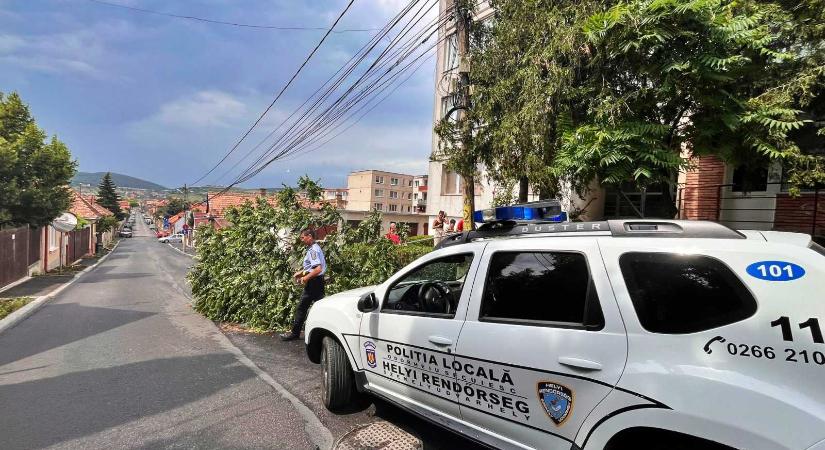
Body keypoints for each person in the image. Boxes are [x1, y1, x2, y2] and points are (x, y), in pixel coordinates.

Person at [280, 228, 326, 341]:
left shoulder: (313, 250)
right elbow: (313, 268)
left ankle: (295, 333)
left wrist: (305, 278)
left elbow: (318, 269)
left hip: (314, 283)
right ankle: (324, 333)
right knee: (320, 307)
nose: (301, 239)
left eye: (303, 237)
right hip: (318, 282)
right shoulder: (314, 248)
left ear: (309, 236)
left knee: (301, 308)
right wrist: (301, 272)